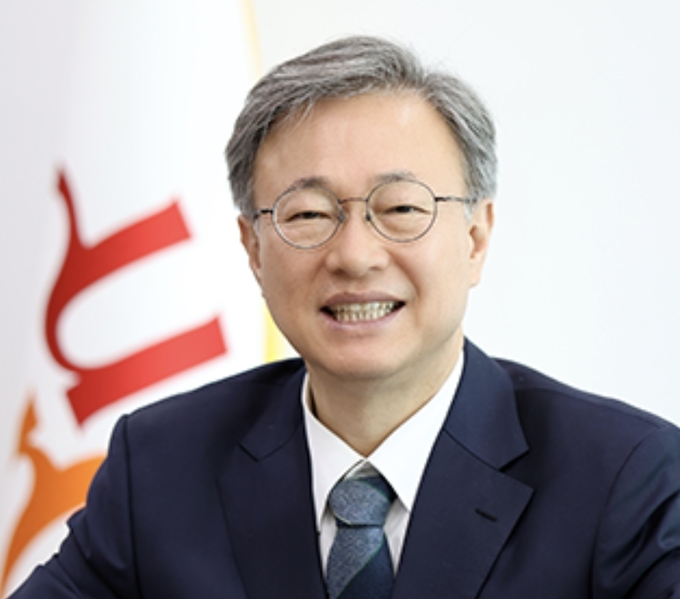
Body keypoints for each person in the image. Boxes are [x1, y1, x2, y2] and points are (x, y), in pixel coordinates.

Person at [9, 35, 680, 599]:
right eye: (308, 214)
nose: (355, 256)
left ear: (476, 238)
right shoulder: (160, 467)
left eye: (401, 208)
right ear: (253, 249)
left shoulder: (625, 478)